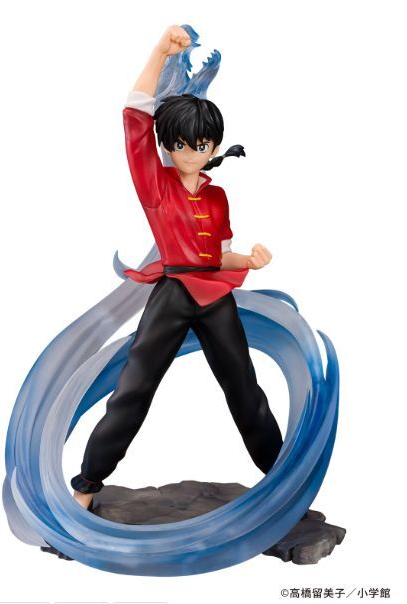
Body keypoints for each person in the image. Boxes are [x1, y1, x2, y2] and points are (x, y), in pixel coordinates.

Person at [71, 25, 283, 511]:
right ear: (170, 145)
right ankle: (87, 484)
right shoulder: (156, 185)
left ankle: (280, 480)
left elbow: (220, 255)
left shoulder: (217, 196)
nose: (192, 154)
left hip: (215, 296)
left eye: (202, 145)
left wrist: (249, 260)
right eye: (183, 145)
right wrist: (158, 53)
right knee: (134, 389)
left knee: (244, 389)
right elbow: (134, 118)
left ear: (214, 147)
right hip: (171, 295)